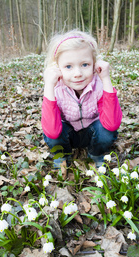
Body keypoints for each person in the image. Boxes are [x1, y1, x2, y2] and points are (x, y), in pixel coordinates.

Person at [41, 29, 122, 168]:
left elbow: (112, 124)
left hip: (92, 133)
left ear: (94, 64)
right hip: (67, 135)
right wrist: (48, 86)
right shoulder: (56, 89)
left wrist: (106, 79)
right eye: (68, 66)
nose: (77, 74)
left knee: (107, 131)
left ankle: (96, 153)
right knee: (53, 134)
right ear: (57, 68)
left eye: (85, 65)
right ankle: (63, 155)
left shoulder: (99, 85)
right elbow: (52, 131)